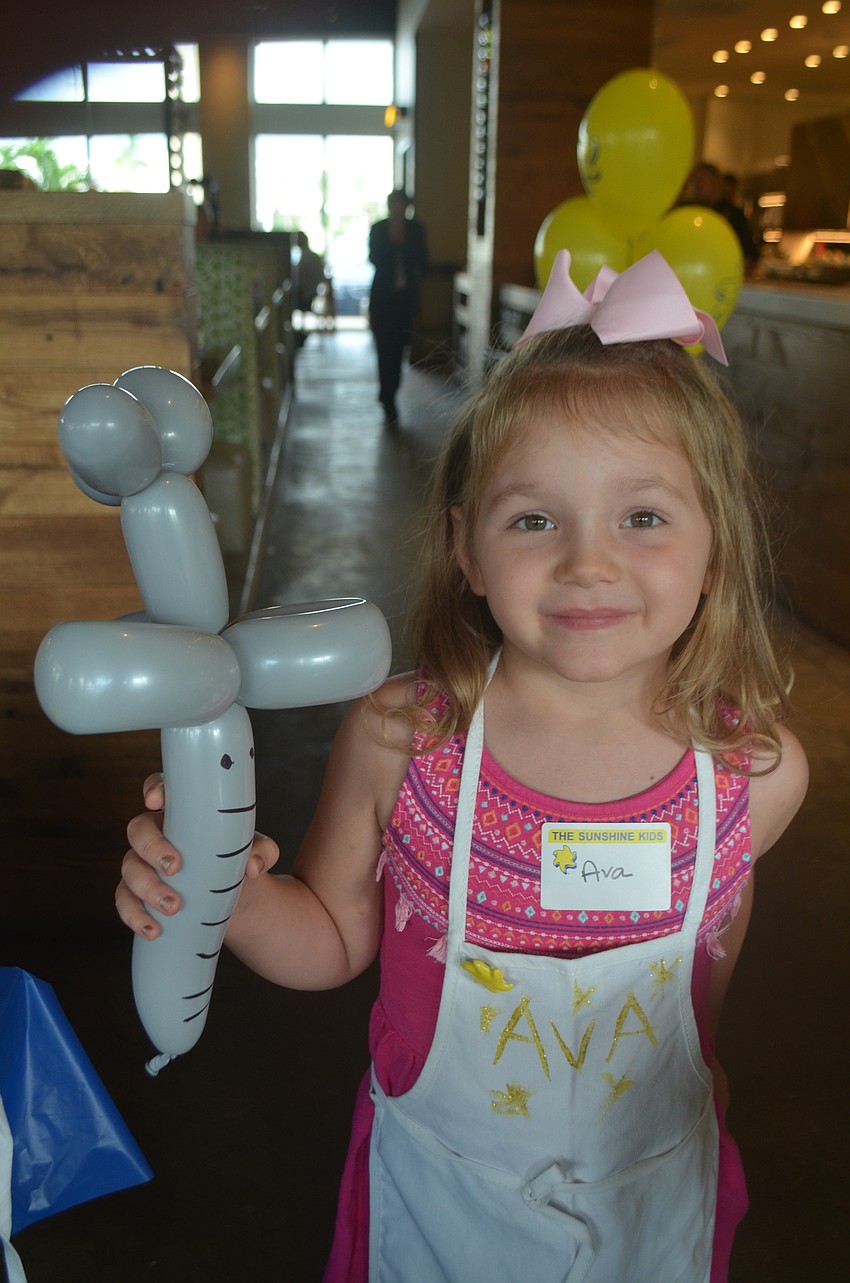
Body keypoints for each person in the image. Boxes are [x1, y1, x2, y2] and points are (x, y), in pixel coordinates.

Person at [117, 249, 808, 1283]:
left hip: (653, 1205)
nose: (588, 561)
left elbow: (706, 973)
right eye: (533, 518)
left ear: (715, 546)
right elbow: (334, 935)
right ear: (468, 547)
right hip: (441, 1205)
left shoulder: (752, 774)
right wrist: (231, 894)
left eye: (644, 516)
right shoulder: (404, 739)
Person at [367, 190, 428, 426]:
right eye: (395, 205)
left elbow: (423, 260)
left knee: (401, 348)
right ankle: (387, 397)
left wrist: (404, 243)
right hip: (383, 301)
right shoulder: (378, 229)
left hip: (405, 300)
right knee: (385, 350)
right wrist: (393, 244)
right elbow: (374, 258)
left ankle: (391, 390)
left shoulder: (416, 229)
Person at [682, 162, 760, 276]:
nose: (697, 186)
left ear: (715, 182)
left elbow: (751, 253)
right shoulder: (691, 212)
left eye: (702, 180)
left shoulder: (733, 215)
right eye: (695, 181)